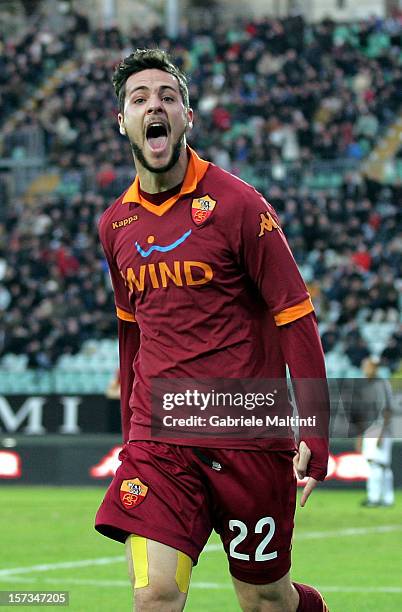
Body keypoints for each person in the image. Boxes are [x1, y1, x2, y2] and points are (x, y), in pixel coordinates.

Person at [95, 48, 330, 612]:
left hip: (246, 427)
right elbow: (133, 335)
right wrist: (132, 433)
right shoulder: (115, 225)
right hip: (161, 436)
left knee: (265, 599)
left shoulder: (238, 205)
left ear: (187, 118)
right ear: (122, 121)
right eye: (140, 98)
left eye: (168, 97)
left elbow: (296, 318)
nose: (155, 106)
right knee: (155, 595)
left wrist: (314, 431)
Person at [358, 357, 395, 507]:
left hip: (380, 429)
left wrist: (381, 433)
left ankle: (375, 498)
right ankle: (386, 498)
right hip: (369, 429)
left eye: (370, 367)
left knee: (378, 464)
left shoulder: (381, 385)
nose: (367, 369)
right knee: (379, 464)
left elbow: (388, 410)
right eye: (365, 366)